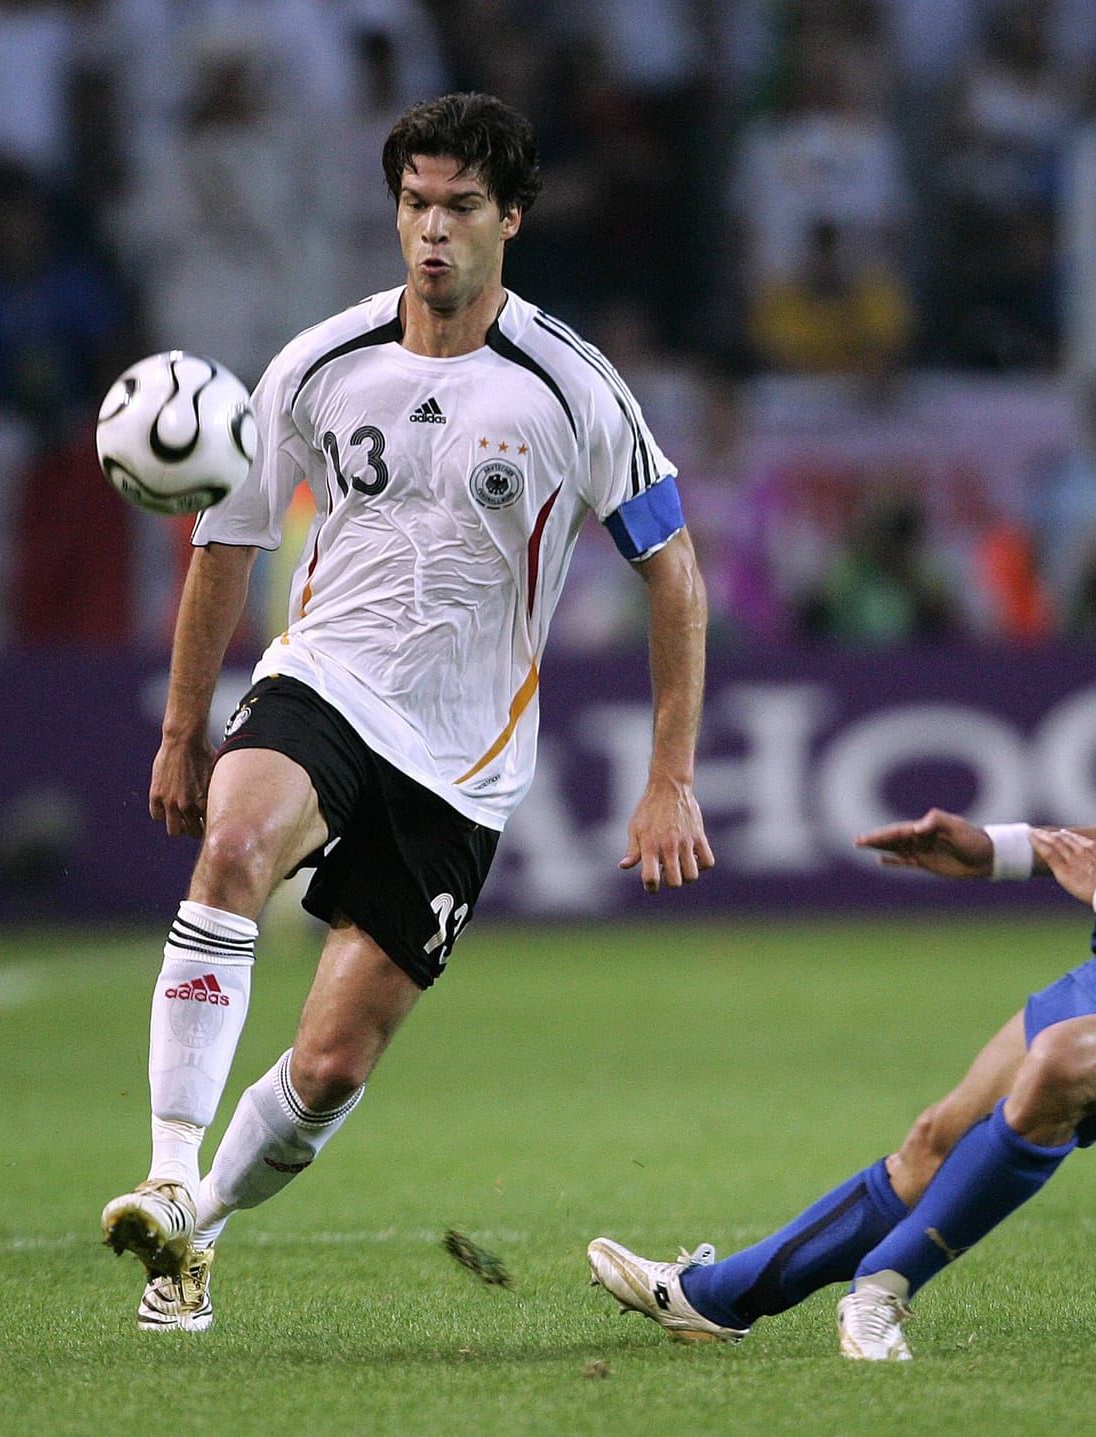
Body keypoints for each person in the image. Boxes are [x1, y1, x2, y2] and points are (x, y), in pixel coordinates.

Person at [99, 92, 713, 1332]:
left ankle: (196, 1227)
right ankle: (168, 1166)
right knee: (230, 850)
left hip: (464, 765)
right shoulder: (317, 364)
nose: (432, 232)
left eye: (461, 208)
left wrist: (669, 776)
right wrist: (180, 731)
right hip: (321, 682)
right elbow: (226, 538)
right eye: (414, 204)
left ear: (512, 220)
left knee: (329, 1069)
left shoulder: (574, 387)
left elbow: (676, 578)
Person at [589, 437, 1096, 1360]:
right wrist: (1003, 850)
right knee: (937, 1134)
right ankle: (715, 1296)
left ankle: (881, 1291)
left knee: (1065, 1063)